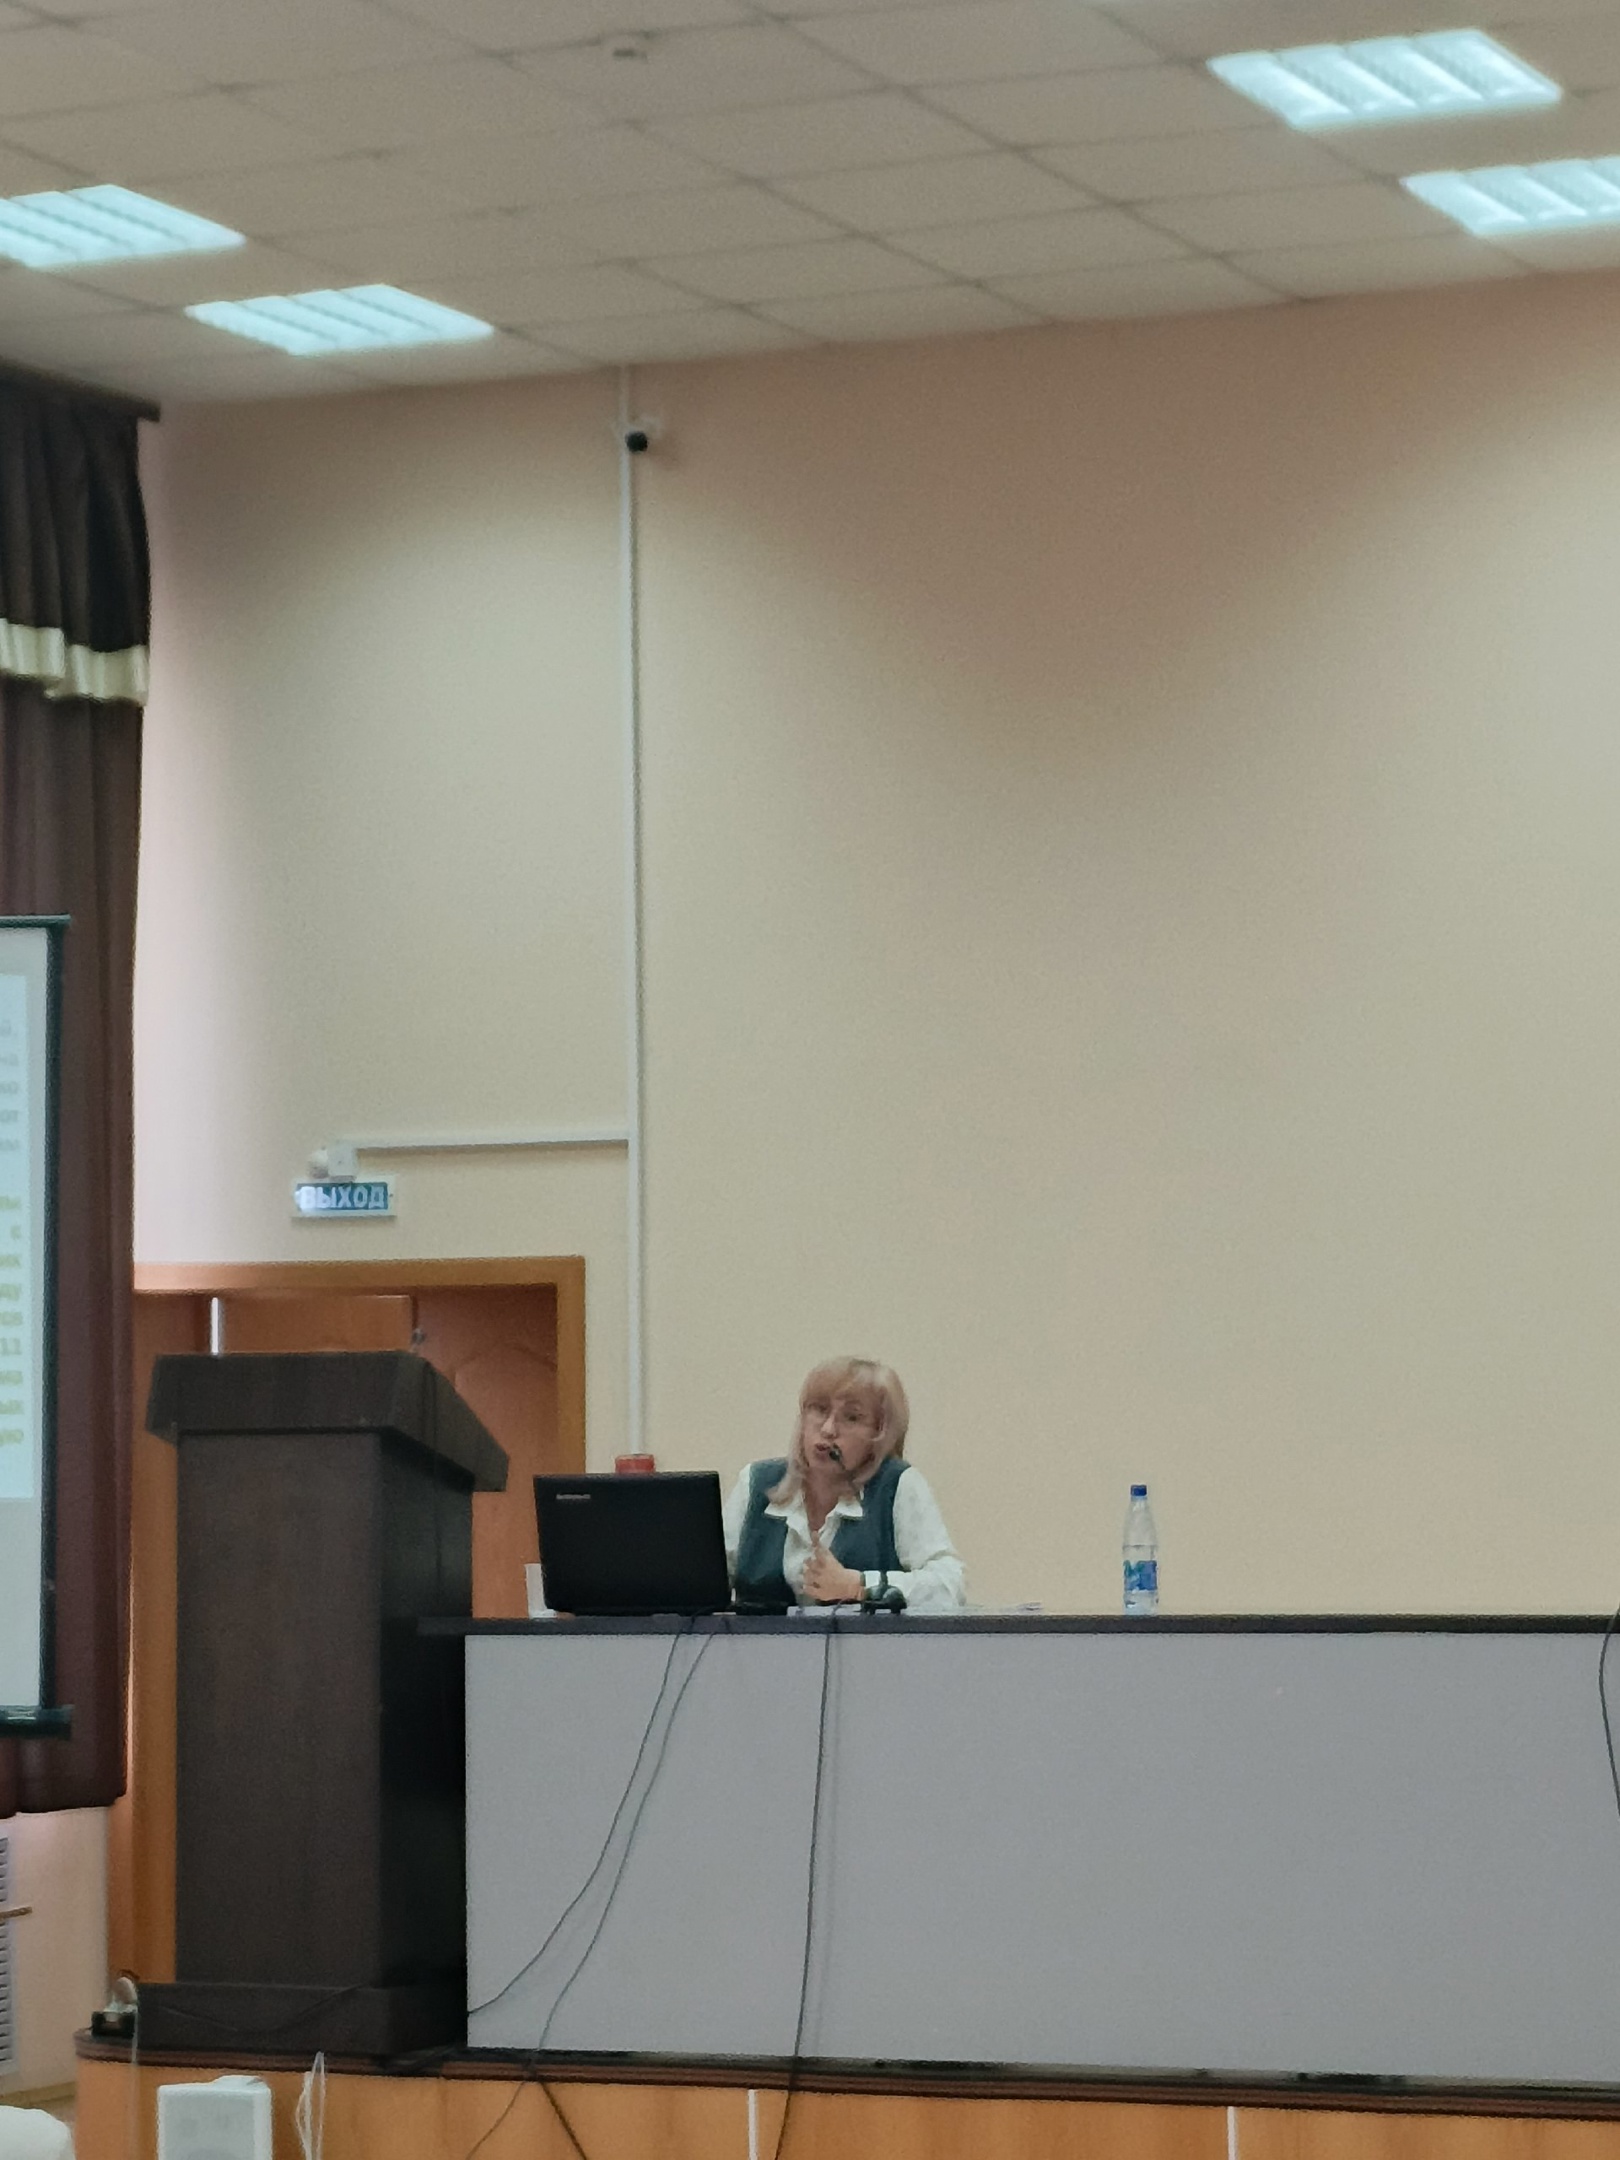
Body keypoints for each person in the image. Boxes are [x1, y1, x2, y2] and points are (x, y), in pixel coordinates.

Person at [723, 1357, 965, 1612]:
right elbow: (707, 1583)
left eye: (851, 1417)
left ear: (879, 1434)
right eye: (819, 1409)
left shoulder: (897, 1486)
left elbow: (949, 1585)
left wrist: (860, 1586)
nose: (828, 1429)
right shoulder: (757, 1482)